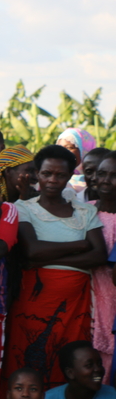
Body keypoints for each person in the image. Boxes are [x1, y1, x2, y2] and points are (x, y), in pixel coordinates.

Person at [4, 146, 107, 389]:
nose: (52, 180)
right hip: (33, 303)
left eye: (60, 175)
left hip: (75, 306)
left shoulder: (85, 211)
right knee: (27, 360)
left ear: (70, 176)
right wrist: (80, 244)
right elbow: (32, 251)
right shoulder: (23, 208)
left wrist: (45, 259)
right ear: (37, 174)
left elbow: (99, 255)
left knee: (70, 363)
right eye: (46, 173)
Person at [0, 146, 33, 399]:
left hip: (0, 297)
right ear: (7, 173)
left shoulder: (9, 209)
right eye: (27, 171)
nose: (33, 177)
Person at [91, 153, 116, 377]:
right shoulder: (83, 210)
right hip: (84, 297)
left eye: (114, 175)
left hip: (111, 298)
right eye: (102, 174)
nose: (106, 180)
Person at [56, 128, 98, 194]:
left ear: (84, 150)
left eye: (69, 147)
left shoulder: (100, 182)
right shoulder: (52, 181)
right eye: (59, 148)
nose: (62, 152)